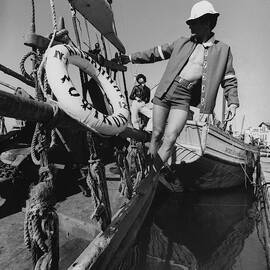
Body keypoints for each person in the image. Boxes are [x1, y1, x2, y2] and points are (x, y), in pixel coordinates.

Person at [121, 0, 239, 171]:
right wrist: (130, 58)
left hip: (184, 97)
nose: (189, 26)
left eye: (193, 22)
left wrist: (233, 102)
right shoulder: (182, 42)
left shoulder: (223, 50)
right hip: (166, 90)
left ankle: (151, 177)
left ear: (206, 22)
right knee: (156, 135)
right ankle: (147, 172)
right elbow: (155, 53)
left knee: (170, 138)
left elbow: (229, 78)